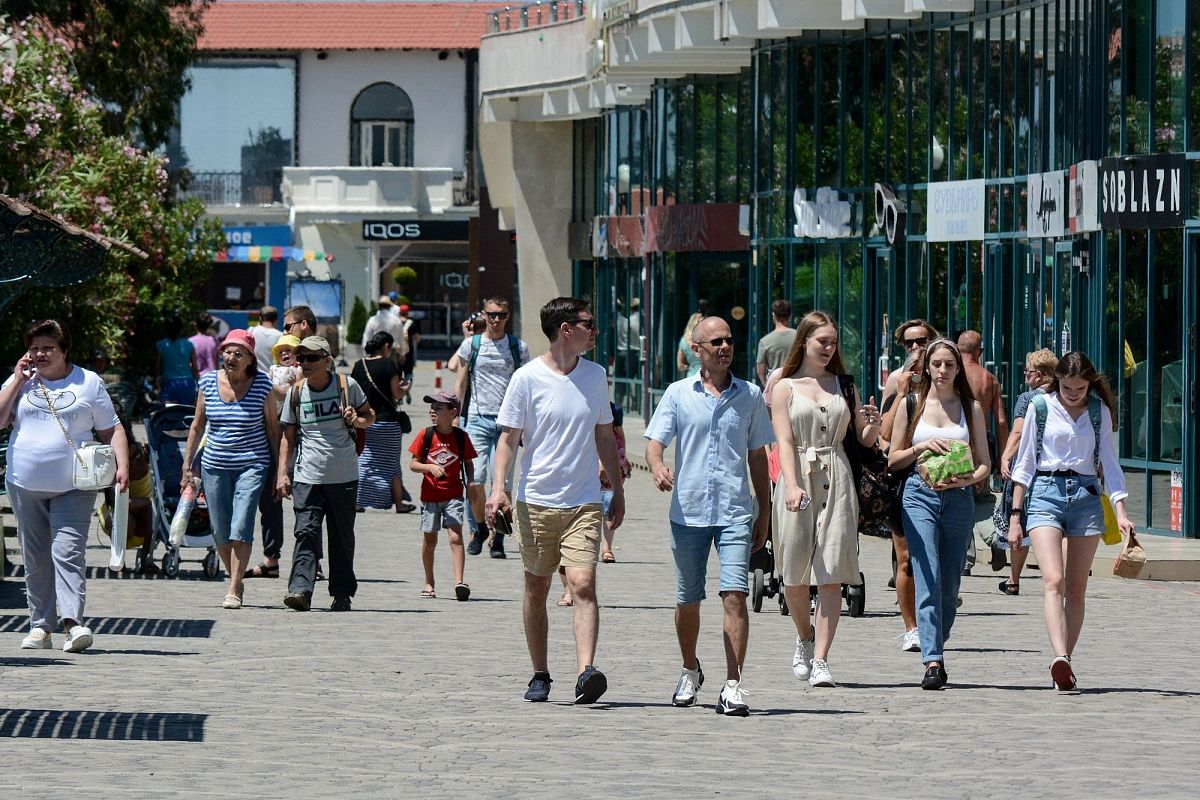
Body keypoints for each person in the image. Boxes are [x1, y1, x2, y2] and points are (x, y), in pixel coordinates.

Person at [485, 297, 626, 705]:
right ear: (566, 329)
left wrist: (616, 490)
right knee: (537, 586)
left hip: (583, 500)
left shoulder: (595, 376)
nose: (595, 330)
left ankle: (586, 672)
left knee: (583, 584)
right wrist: (499, 489)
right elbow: (508, 439)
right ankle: (540, 673)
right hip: (536, 501)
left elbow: (604, 435)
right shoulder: (526, 378)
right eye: (589, 323)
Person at [645, 316, 773, 715]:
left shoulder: (750, 395)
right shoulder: (678, 393)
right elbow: (654, 442)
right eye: (715, 341)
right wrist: (657, 466)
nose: (724, 346)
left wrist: (764, 511)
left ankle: (734, 683)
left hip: (735, 510)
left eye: (729, 340)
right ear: (696, 349)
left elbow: (757, 456)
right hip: (689, 512)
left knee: (735, 594)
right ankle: (689, 668)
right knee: (688, 600)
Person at [1, 319, 130, 653]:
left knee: (67, 552)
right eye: (34, 348)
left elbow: (111, 429)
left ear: (64, 350)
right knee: (36, 556)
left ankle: (73, 624)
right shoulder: (22, 382)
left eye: (48, 348)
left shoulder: (88, 382)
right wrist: (16, 380)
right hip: (23, 483)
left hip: (74, 484)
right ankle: (40, 626)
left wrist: (123, 467)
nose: (40, 354)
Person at [1007, 352, 1134, 692]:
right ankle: (1059, 655)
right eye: (1067, 387)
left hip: (1086, 496)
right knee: (1054, 579)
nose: (1073, 393)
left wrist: (1121, 510)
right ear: (1057, 380)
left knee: (1076, 588)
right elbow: (1025, 463)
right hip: (1045, 491)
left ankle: (1065, 663)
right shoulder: (1041, 407)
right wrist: (1015, 517)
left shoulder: (1098, 411)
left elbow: (1109, 460)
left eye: (1080, 388)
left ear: (1090, 384)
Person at [771, 311, 881, 689]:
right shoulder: (784, 387)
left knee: (831, 572)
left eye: (833, 342)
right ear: (804, 341)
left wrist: (871, 425)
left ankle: (822, 659)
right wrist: (790, 484)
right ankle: (804, 637)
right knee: (794, 575)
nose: (829, 348)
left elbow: (863, 442)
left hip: (837, 475)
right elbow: (784, 440)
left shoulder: (843, 385)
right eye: (823, 341)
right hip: (798, 474)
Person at [888, 338, 991, 690]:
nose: (943, 371)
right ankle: (933, 660)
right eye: (937, 365)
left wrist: (968, 479)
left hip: (958, 499)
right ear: (926, 368)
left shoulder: (970, 408)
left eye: (949, 364)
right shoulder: (912, 404)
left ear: (957, 368)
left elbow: (984, 465)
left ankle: (936, 636)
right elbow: (893, 458)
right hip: (919, 495)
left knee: (949, 586)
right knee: (927, 575)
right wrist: (920, 447)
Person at [180, 329, 277, 609]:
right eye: (227, 351)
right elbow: (197, 426)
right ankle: (237, 575)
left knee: (241, 524)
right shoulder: (208, 382)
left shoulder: (262, 385)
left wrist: (281, 470)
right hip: (214, 465)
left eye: (238, 353)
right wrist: (187, 465)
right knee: (220, 529)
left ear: (250, 358)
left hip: (253, 464)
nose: (231, 357)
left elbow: (273, 430)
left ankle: (234, 586)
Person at [277, 336, 375, 612]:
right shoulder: (296, 392)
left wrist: (357, 419)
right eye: (301, 358)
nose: (304, 363)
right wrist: (282, 474)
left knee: (341, 537)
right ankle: (300, 590)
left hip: (343, 475)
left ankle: (342, 593)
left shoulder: (347, 386)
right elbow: (288, 436)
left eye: (311, 358)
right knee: (305, 532)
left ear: (326, 360)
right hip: (307, 476)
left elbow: (371, 416)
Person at [453, 296, 531, 558]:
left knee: (504, 483)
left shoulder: (518, 347)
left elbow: (525, 387)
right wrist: (455, 416)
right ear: (484, 315)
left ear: (509, 317)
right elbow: (461, 382)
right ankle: (479, 528)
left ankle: (498, 537)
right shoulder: (471, 345)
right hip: (476, 418)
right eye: (491, 314)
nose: (496, 319)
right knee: (475, 481)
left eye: (501, 315)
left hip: (508, 423)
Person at [993, 349, 1058, 595]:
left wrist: (1006, 457)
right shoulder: (1065, 396)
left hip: (1028, 469)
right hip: (1055, 472)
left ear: (1039, 375)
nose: (1025, 376)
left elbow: (1018, 432)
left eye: (1028, 371)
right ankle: (1055, 578)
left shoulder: (1028, 398)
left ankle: (1014, 579)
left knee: (1018, 520)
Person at [878, 346, 927, 653]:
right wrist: (900, 394)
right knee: (906, 559)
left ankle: (933, 618)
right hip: (905, 482)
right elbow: (884, 432)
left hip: (943, 486)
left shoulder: (951, 400)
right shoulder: (904, 396)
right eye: (920, 370)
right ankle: (911, 627)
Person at [409, 391, 477, 601]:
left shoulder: (460, 437)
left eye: (438, 408)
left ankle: (459, 582)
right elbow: (413, 464)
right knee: (430, 540)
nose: (433, 411)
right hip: (430, 496)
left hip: (454, 495)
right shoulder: (425, 435)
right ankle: (429, 582)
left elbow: (468, 462)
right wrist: (429, 467)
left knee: (455, 536)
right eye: (432, 407)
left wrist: (472, 483)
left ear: (453, 412)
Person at [245, 333, 302, 580]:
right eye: (282, 350)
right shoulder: (266, 373)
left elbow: (289, 395)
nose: (285, 354)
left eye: (290, 350)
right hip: (261, 440)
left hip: (282, 437)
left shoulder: (299, 374)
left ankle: (275, 559)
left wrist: (272, 389)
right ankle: (267, 560)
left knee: (273, 502)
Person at [351, 331, 414, 513]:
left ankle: (356, 501)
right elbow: (396, 394)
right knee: (392, 464)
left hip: (364, 421)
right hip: (387, 423)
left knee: (363, 461)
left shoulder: (358, 365)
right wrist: (406, 388)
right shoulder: (389, 365)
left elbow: (354, 393)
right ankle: (400, 504)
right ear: (386, 346)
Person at [155, 316, 198, 404]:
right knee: (186, 412)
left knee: (169, 412)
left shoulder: (161, 344)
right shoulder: (189, 344)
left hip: (169, 383)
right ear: (180, 329)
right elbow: (194, 367)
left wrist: (157, 381)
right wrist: (196, 382)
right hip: (187, 382)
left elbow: (158, 366)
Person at [756, 299, 796, 386]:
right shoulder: (799, 337)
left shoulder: (764, 341)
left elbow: (760, 371)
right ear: (790, 316)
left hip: (774, 385)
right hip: (796, 384)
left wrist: (767, 386)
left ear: (773, 316)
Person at [362, 295, 408, 364]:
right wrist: (402, 353)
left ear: (379, 306)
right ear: (389, 306)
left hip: (376, 351)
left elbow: (367, 336)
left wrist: (365, 353)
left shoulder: (372, 320)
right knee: (391, 372)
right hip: (391, 351)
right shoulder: (396, 320)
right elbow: (401, 337)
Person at [397, 304, 419, 396]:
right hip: (408, 354)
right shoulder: (411, 323)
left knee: (397, 375)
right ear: (407, 313)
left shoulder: (395, 322)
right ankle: (407, 389)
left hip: (397, 353)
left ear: (399, 312)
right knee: (408, 374)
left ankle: (398, 394)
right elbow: (417, 338)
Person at [253, 305, 284, 372]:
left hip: (253, 377)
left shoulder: (251, 331)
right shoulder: (280, 336)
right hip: (271, 378)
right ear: (276, 320)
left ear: (260, 318)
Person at [676, 311, 704, 378]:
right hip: (707, 377)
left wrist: (690, 366)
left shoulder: (683, 341)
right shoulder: (704, 339)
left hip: (691, 376)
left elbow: (680, 365)